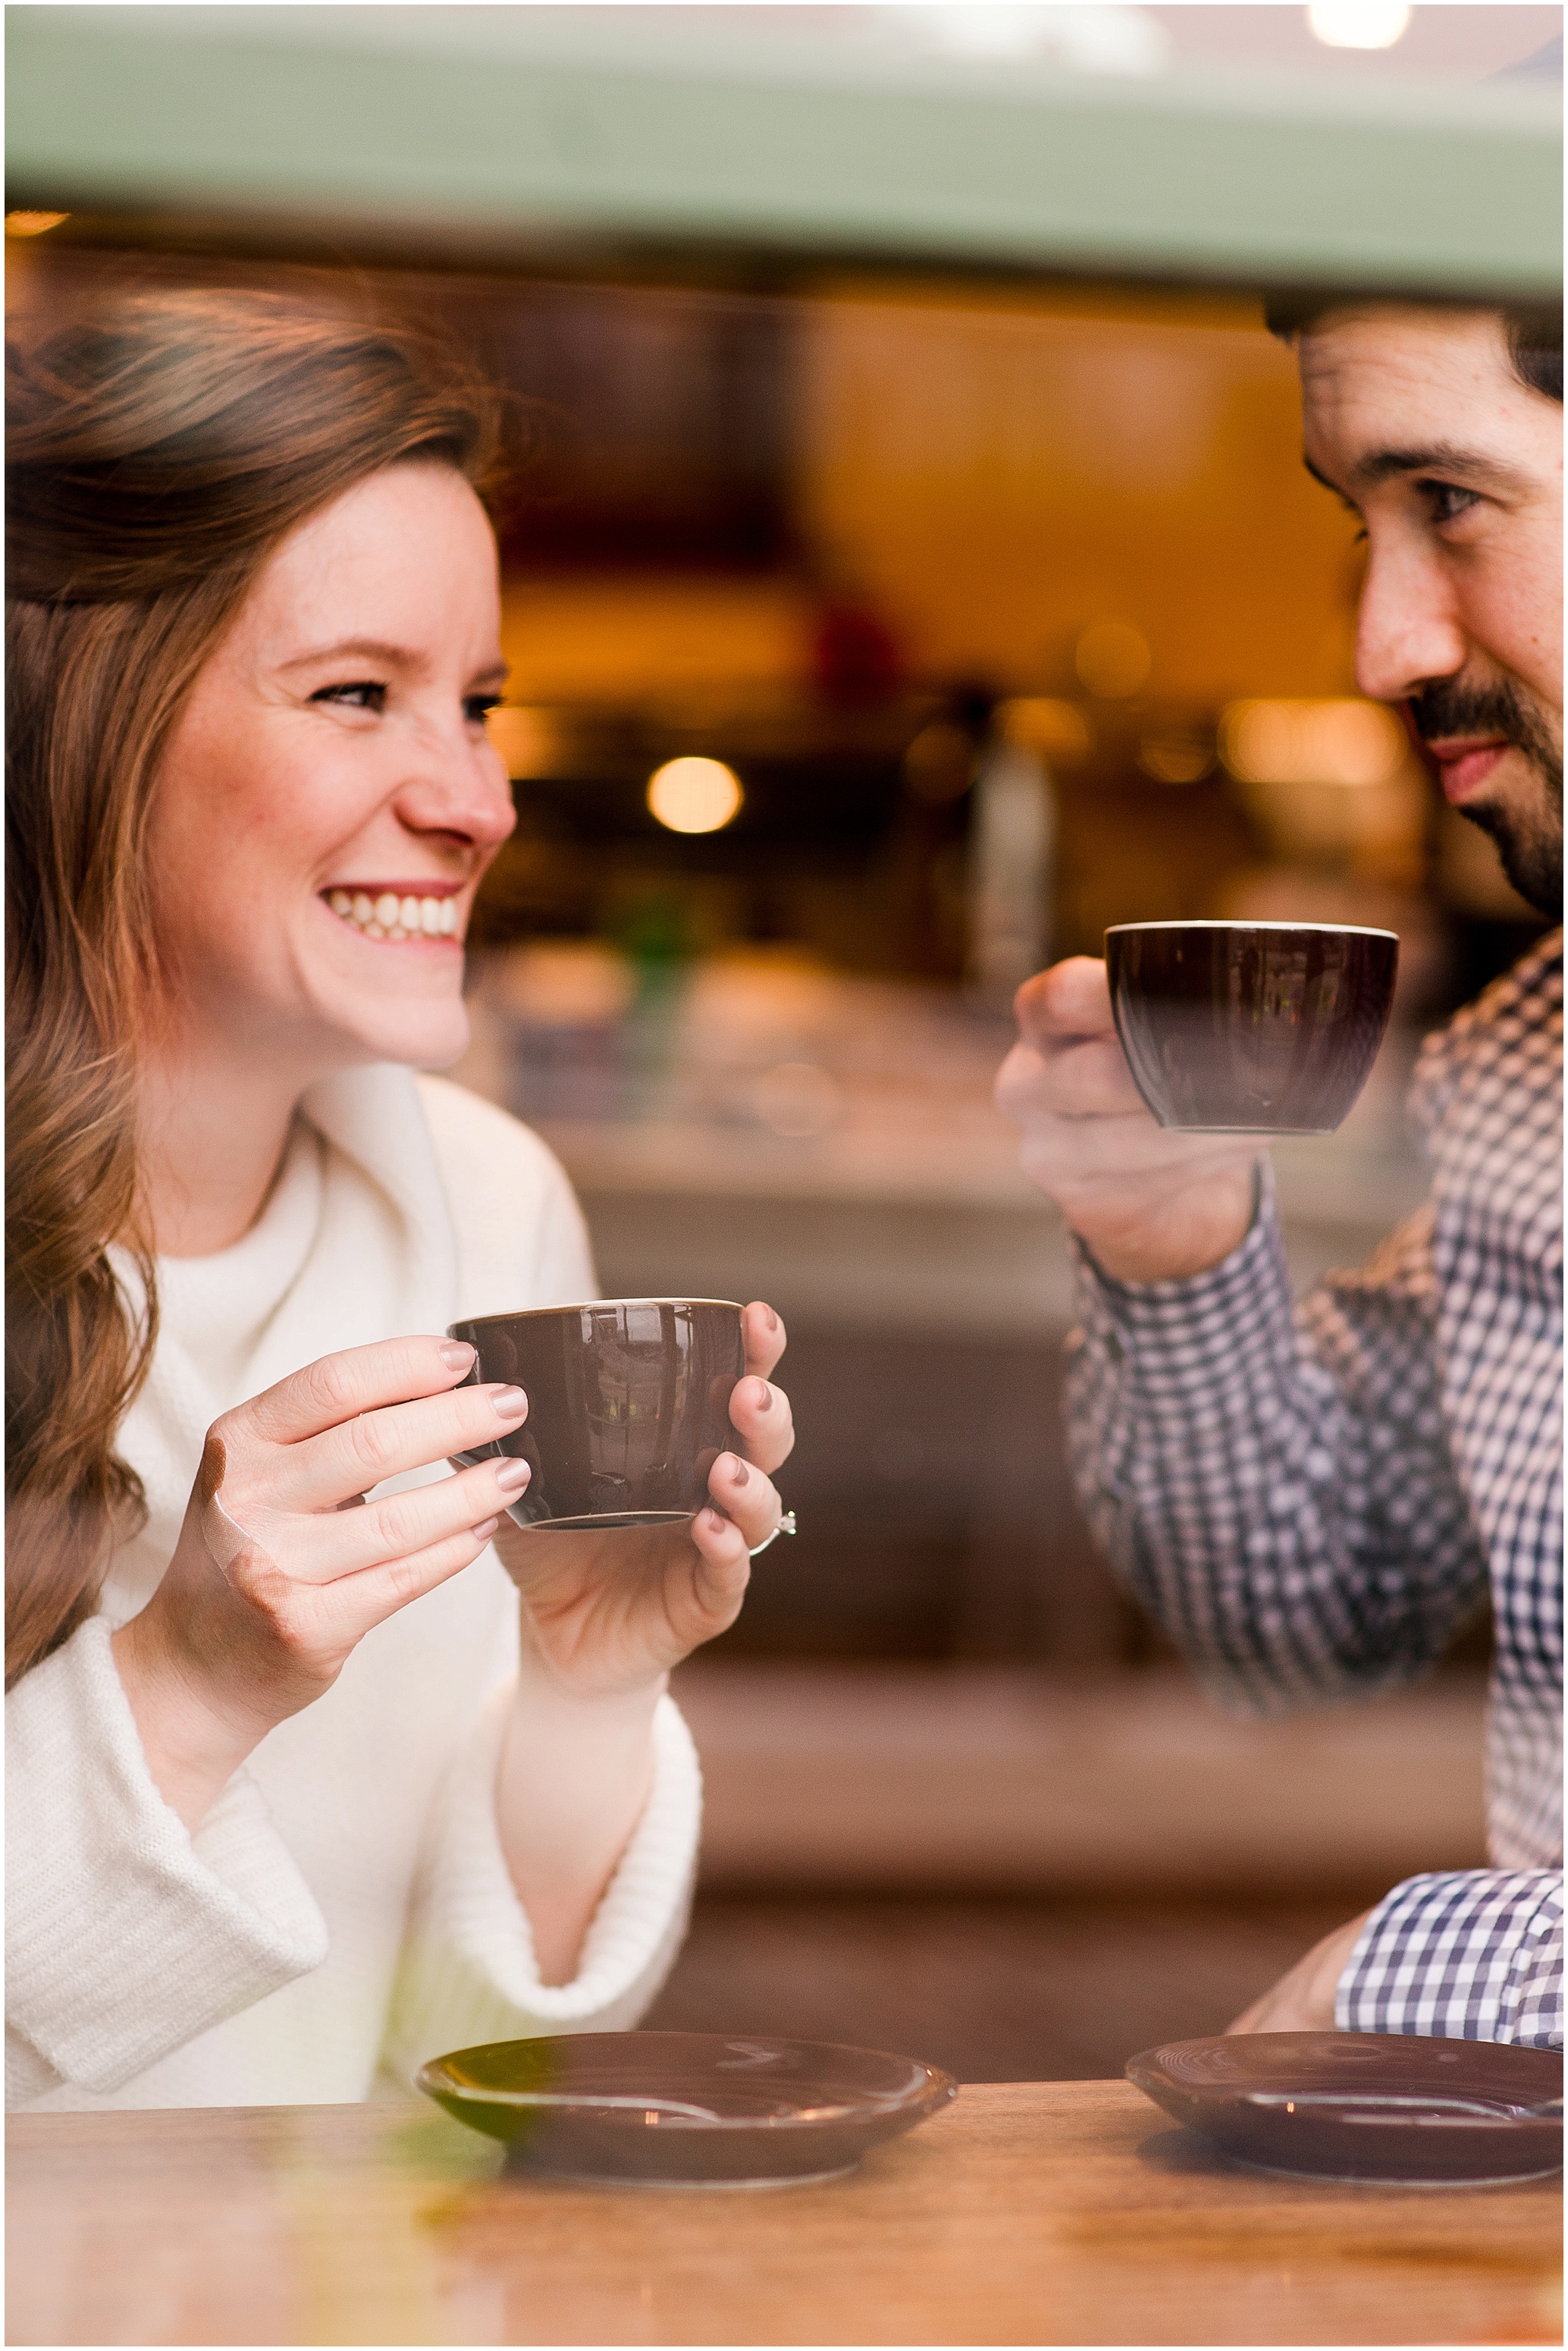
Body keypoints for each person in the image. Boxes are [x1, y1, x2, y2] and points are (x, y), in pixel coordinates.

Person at [5, 288, 798, 2111]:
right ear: (78, 721)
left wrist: (589, 1682)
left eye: (481, 703)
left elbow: (453, 2052)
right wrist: (189, 1686)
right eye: (358, 694)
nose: (475, 798)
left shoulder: (482, 1204)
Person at [998, 296, 1562, 2047]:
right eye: (1357, 524)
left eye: (1448, 503)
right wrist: (1177, 1244)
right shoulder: (1523, 1067)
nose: (1384, 645)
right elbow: (1301, 1617)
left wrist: (1395, 1980)